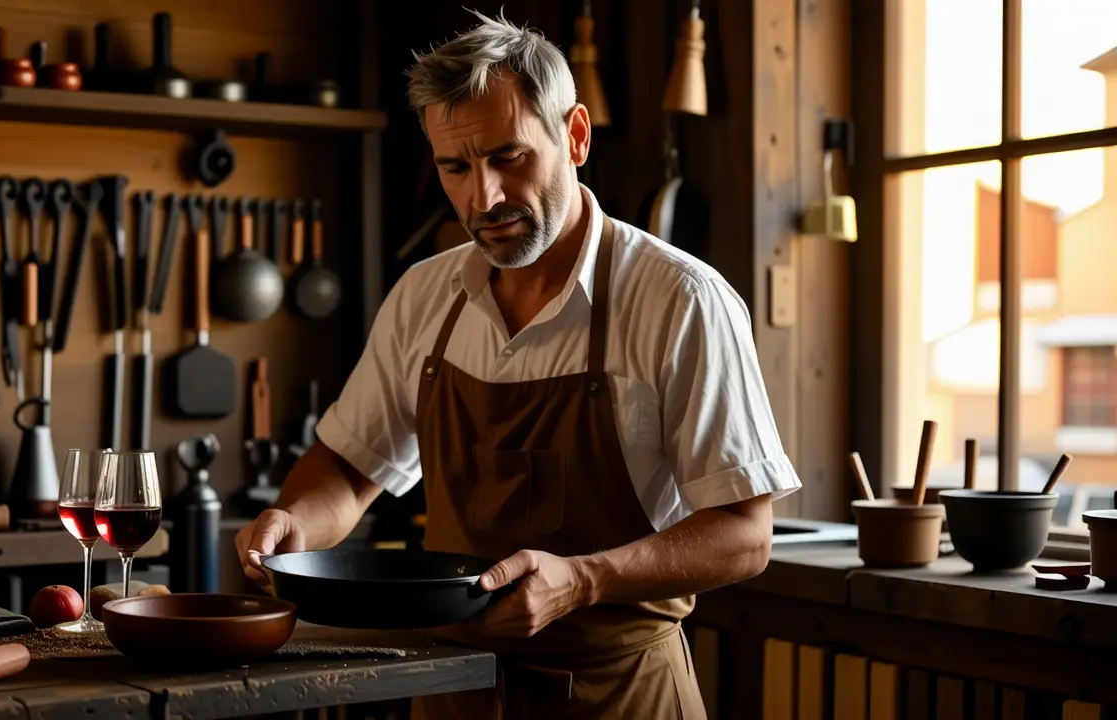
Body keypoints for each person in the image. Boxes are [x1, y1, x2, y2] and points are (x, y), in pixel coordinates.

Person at [236, 10, 801, 719]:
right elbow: (349, 470)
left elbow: (746, 535)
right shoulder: (425, 296)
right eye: (456, 167)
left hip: (618, 695)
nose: (485, 198)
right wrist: (294, 524)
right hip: (449, 691)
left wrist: (584, 580)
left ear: (576, 136)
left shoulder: (681, 299)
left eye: (509, 157)